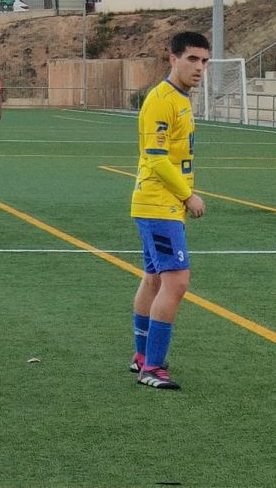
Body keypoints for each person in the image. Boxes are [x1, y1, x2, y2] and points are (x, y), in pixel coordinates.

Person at [129, 31, 210, 391]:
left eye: (204, 61)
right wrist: (187, 195)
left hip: (160, 204)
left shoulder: (180, 98)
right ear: (172, 59)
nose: (199, 67)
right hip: (159, 203)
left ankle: (142, 356)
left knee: (155, 279)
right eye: (192, 59)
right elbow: (156, 158)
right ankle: (153, 367)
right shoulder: (161, 100)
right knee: (176, 282)